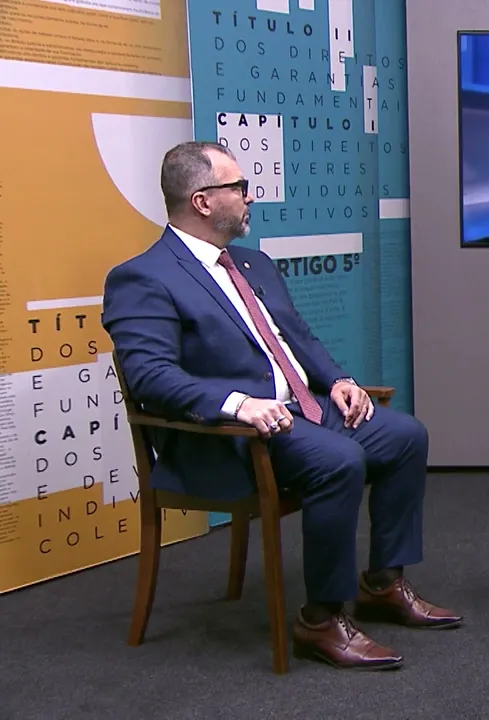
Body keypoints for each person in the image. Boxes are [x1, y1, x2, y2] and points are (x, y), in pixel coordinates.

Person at [102, 141, 462, 671]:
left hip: (299, 411)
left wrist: (338, 380)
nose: (250, 197)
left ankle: (383, 582)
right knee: (339, 461)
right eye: (239, 187)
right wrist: (237, 404)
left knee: (405, 436)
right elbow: (151, 377)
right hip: (231, 437)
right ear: (203, 201)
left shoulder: (254, 263)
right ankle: (320, 620)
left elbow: (298, 338)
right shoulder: (144, 276)